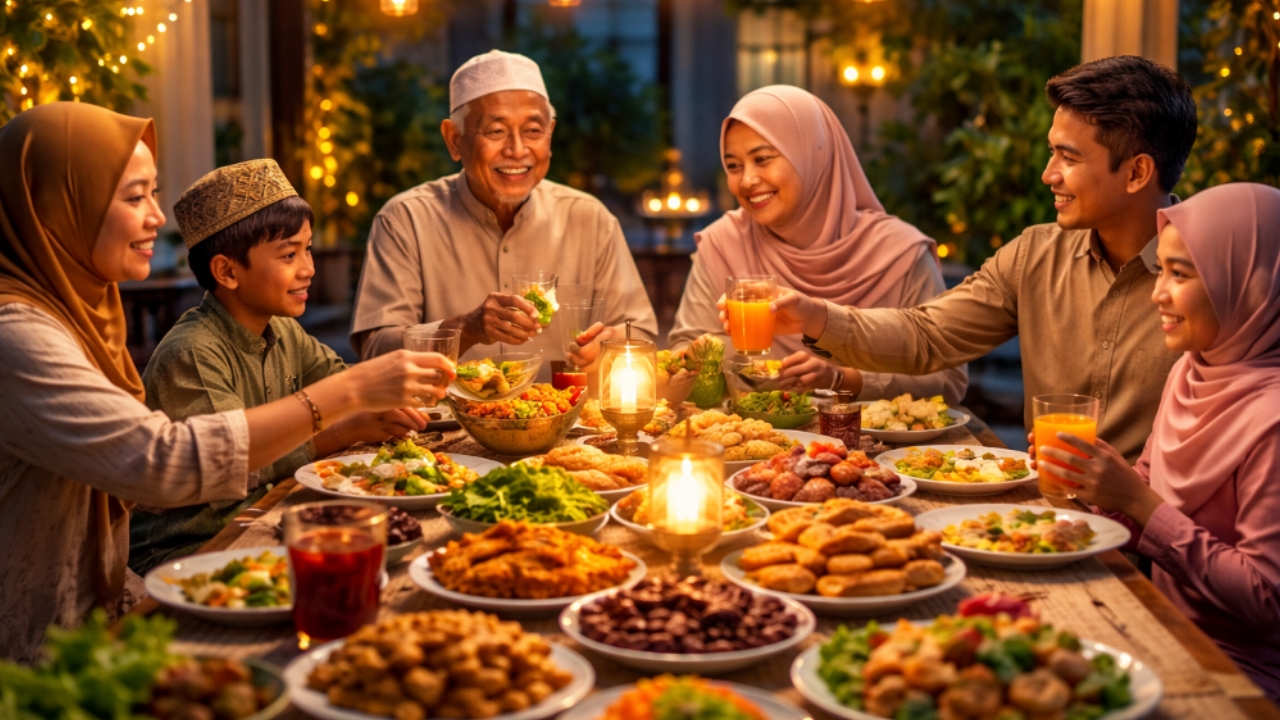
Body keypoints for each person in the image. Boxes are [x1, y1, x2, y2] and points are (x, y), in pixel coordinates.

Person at [0, 103, 452, 661]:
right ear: (57, 207)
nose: (156, 218)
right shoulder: (16, 334)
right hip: (42, 654)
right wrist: (349, 397)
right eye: (134, 196)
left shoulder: (82, 315)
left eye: (153, 194)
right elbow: (159, 464)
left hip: (108, 611)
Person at [725, 56, 1196, 462]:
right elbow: (927, 335)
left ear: (1136, 172)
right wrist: (815, 316)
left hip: (1157, 543)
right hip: (1048, 517)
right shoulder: (1035, 254)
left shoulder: (1215, 277)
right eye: (1051, 152)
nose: (1047, 174)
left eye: (1067, 158)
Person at [1038, 183, 1280, 700]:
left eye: (1181, 274)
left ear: (1249, 285)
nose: (1157, 294)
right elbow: (1146, 488)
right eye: (1161, 270)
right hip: (1156, 628)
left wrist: (1138, 502)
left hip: (1237, 675)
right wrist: (1091, 485)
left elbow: (1267, 602)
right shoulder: (1192, 371)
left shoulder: (1272, 419)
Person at [129, 160, 430, 574]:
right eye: (289, 254)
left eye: (307, 248)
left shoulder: (285, 332)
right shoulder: (193, 353)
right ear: (227, 271)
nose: (308, 268)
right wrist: (346, 427)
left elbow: (339, 380)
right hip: (196, 549)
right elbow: (234, 467)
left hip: (269, 519)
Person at [350, 50, 657, 376]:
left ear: (550, 135)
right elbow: (376, 354)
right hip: (440, 424)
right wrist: (466, 330)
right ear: (455, 140)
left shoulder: (590, 219)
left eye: (533, 131)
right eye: (496, 131)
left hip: (572, 425)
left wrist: (609, 350)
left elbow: (640, 336)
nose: (517, 150)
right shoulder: (406, 220)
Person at [669, 85, 966, 404]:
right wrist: (693, 358)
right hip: (750, 443)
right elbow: (684, 352)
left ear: (814, 154)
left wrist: (843, 379)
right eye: (734, 166)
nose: (746, 180)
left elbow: (948, 380)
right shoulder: (722, 242)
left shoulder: (900, 253)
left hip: (880, 450)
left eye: (762, 159)